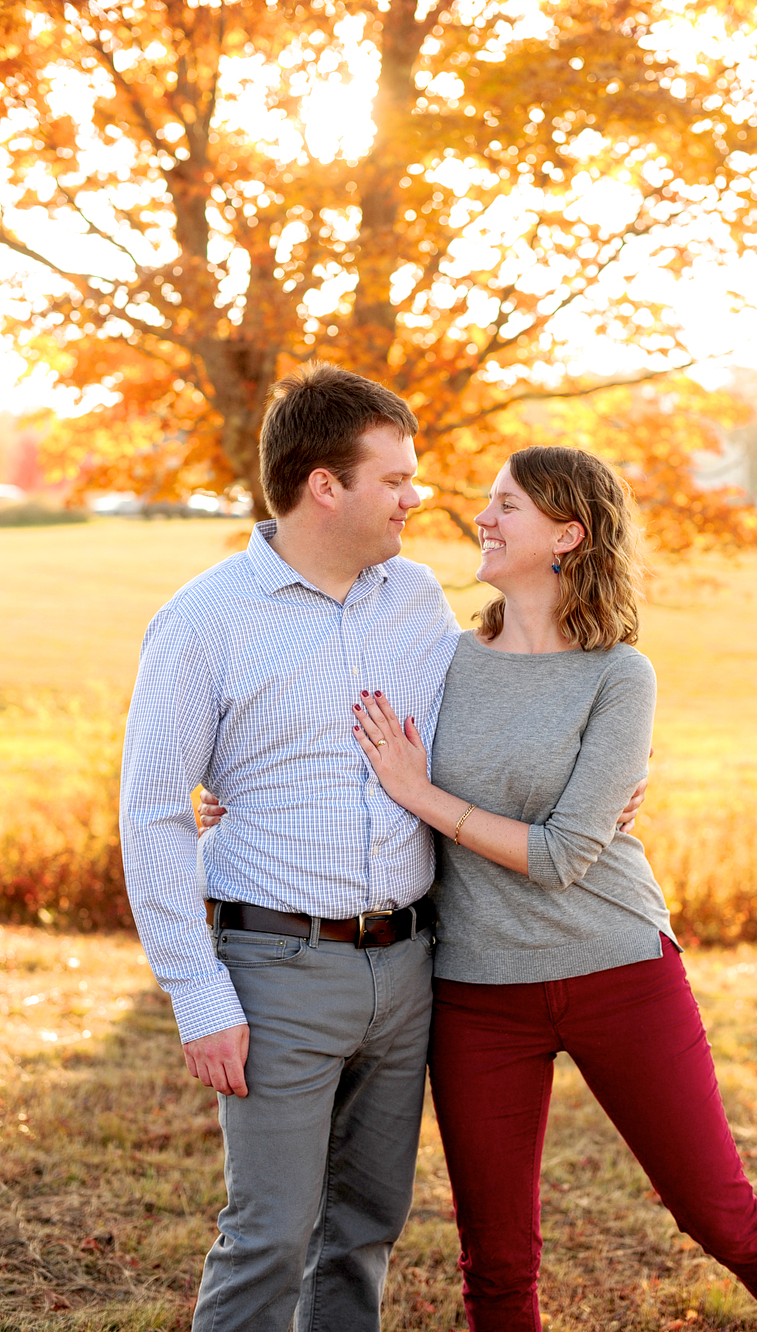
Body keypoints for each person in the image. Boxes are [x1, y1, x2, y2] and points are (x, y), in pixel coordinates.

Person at [122, 361, 648, 1332]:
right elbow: (151, 810)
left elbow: (482, 726)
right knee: (271, 1234)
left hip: (410, 965)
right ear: (327, 486)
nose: (419, 498)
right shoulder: (203, 621)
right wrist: (197, 990)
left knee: (364, 1228)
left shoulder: (413, 598)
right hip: (278, 963)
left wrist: (596, 789)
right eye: (397, 479)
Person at [320, 446, 757, 1332]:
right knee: (496, 1257)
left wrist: (427, 796)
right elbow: (346, 756)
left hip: (619, 971)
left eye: (506, 505)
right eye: (488, 502)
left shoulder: (617, 674)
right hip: (478, 992)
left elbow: (566, 854)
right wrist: (235, 804)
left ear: (568, 534)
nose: (482, 518)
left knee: (717, 1213)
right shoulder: (442, 660)